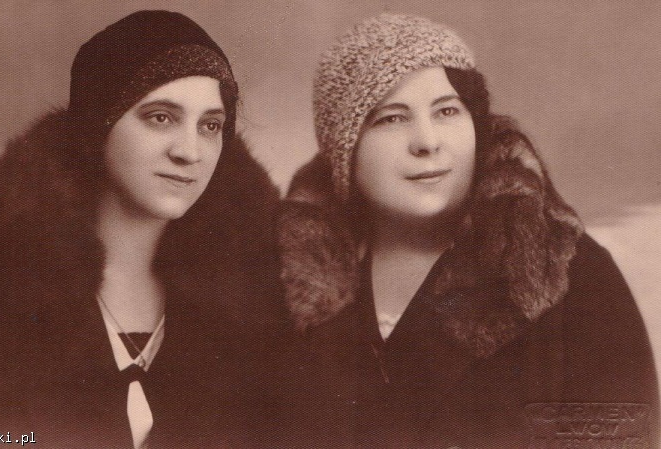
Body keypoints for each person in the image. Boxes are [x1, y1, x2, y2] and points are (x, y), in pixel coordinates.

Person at [277, 13, 658, 448]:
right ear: (343, 151)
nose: (427, 142)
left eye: (447, 111)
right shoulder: (285, 282)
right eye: (391, 118)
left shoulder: (572, 273)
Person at [0, 11, 284, 448]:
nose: (190, 151)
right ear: (97, 125)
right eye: (160, 117)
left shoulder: (259, 292)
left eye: (211, 126)